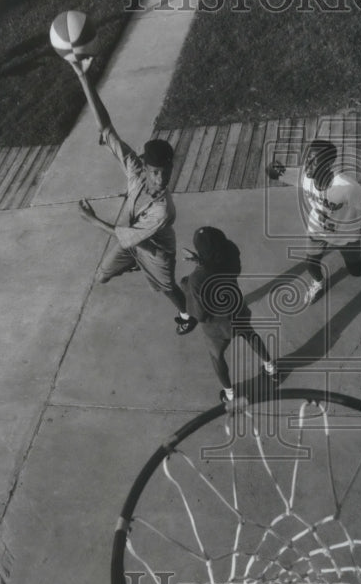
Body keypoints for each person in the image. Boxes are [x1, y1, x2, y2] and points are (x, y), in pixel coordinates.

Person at [70, 58, 195, 335]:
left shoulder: (163, 210)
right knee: (101, 277)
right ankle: (135, 265)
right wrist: (83, 78)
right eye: (154, 172)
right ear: (144, 165)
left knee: (168, 288)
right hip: (133, 242)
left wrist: (92, 220)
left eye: (165, 172)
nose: (160, 179)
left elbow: (124, 235)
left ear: (171, 168)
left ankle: (187, 314)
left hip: (157, 252)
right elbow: (106, 127)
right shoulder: (135, 171)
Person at [266, 139, 361, 305]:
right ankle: (318, 283)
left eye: (314, 161)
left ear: (328, 164)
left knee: (356, 270)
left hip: (346, 234)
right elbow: (272, 173)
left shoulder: (346, 187)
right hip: (317, 231)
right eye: (307, 158)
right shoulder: (303, 176)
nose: (308, 164)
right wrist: (272, 167)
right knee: (311, 264)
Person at [181, 226, 278, 409]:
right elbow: (231, 269)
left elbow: (200, 314)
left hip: (217, 327)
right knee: (251, 336)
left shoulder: (196, 279)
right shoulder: (230, 250)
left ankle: (230, 394)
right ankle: (272, 368)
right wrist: (200, 260)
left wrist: (186, 287)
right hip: (238, 310)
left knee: (216, 356)